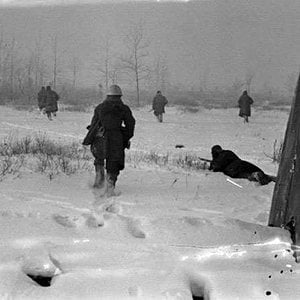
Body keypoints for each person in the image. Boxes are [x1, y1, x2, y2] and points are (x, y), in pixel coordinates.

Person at [82, 84, 135, 197]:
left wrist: (91, 136)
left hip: (100, 137)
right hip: (116, 138)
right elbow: (130, 125)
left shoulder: (100, 107)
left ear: (108, 95)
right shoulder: (124, 108)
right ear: (120, 96)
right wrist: (125, 137)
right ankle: (110, 185)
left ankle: (99, 178)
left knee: (99, 157)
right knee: (114, 161)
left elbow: (94, 124)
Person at [209, 145, 276, 185]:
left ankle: (253, 176)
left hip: (232, 169)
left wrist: (211, 165)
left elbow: (215, 168)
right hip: (241, 163)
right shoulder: (228, 152)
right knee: (252, 168)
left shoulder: (216, 159)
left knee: (245, 175)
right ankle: (267, 176)